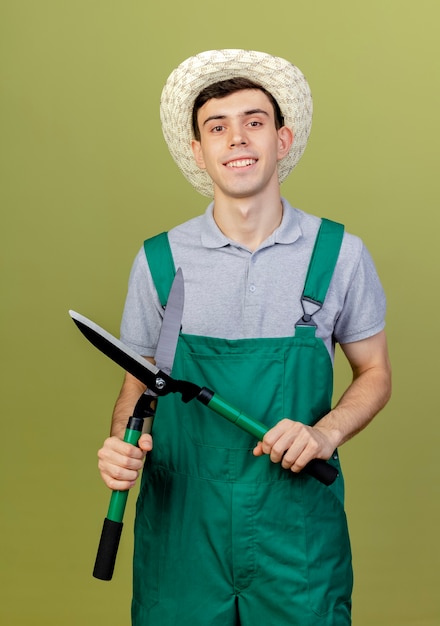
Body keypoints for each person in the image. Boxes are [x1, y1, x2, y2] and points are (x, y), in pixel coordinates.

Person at [97, 50, 391, 625]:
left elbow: (375, 372)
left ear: (281, 140)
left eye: (254, 122)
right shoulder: (160, 261)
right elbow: (138, 385)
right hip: (184, 532)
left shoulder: (339, 255)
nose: (237, 139)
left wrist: (325, 432)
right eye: (217, 127)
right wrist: (120, 450)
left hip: (297, 533)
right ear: (198, 150)